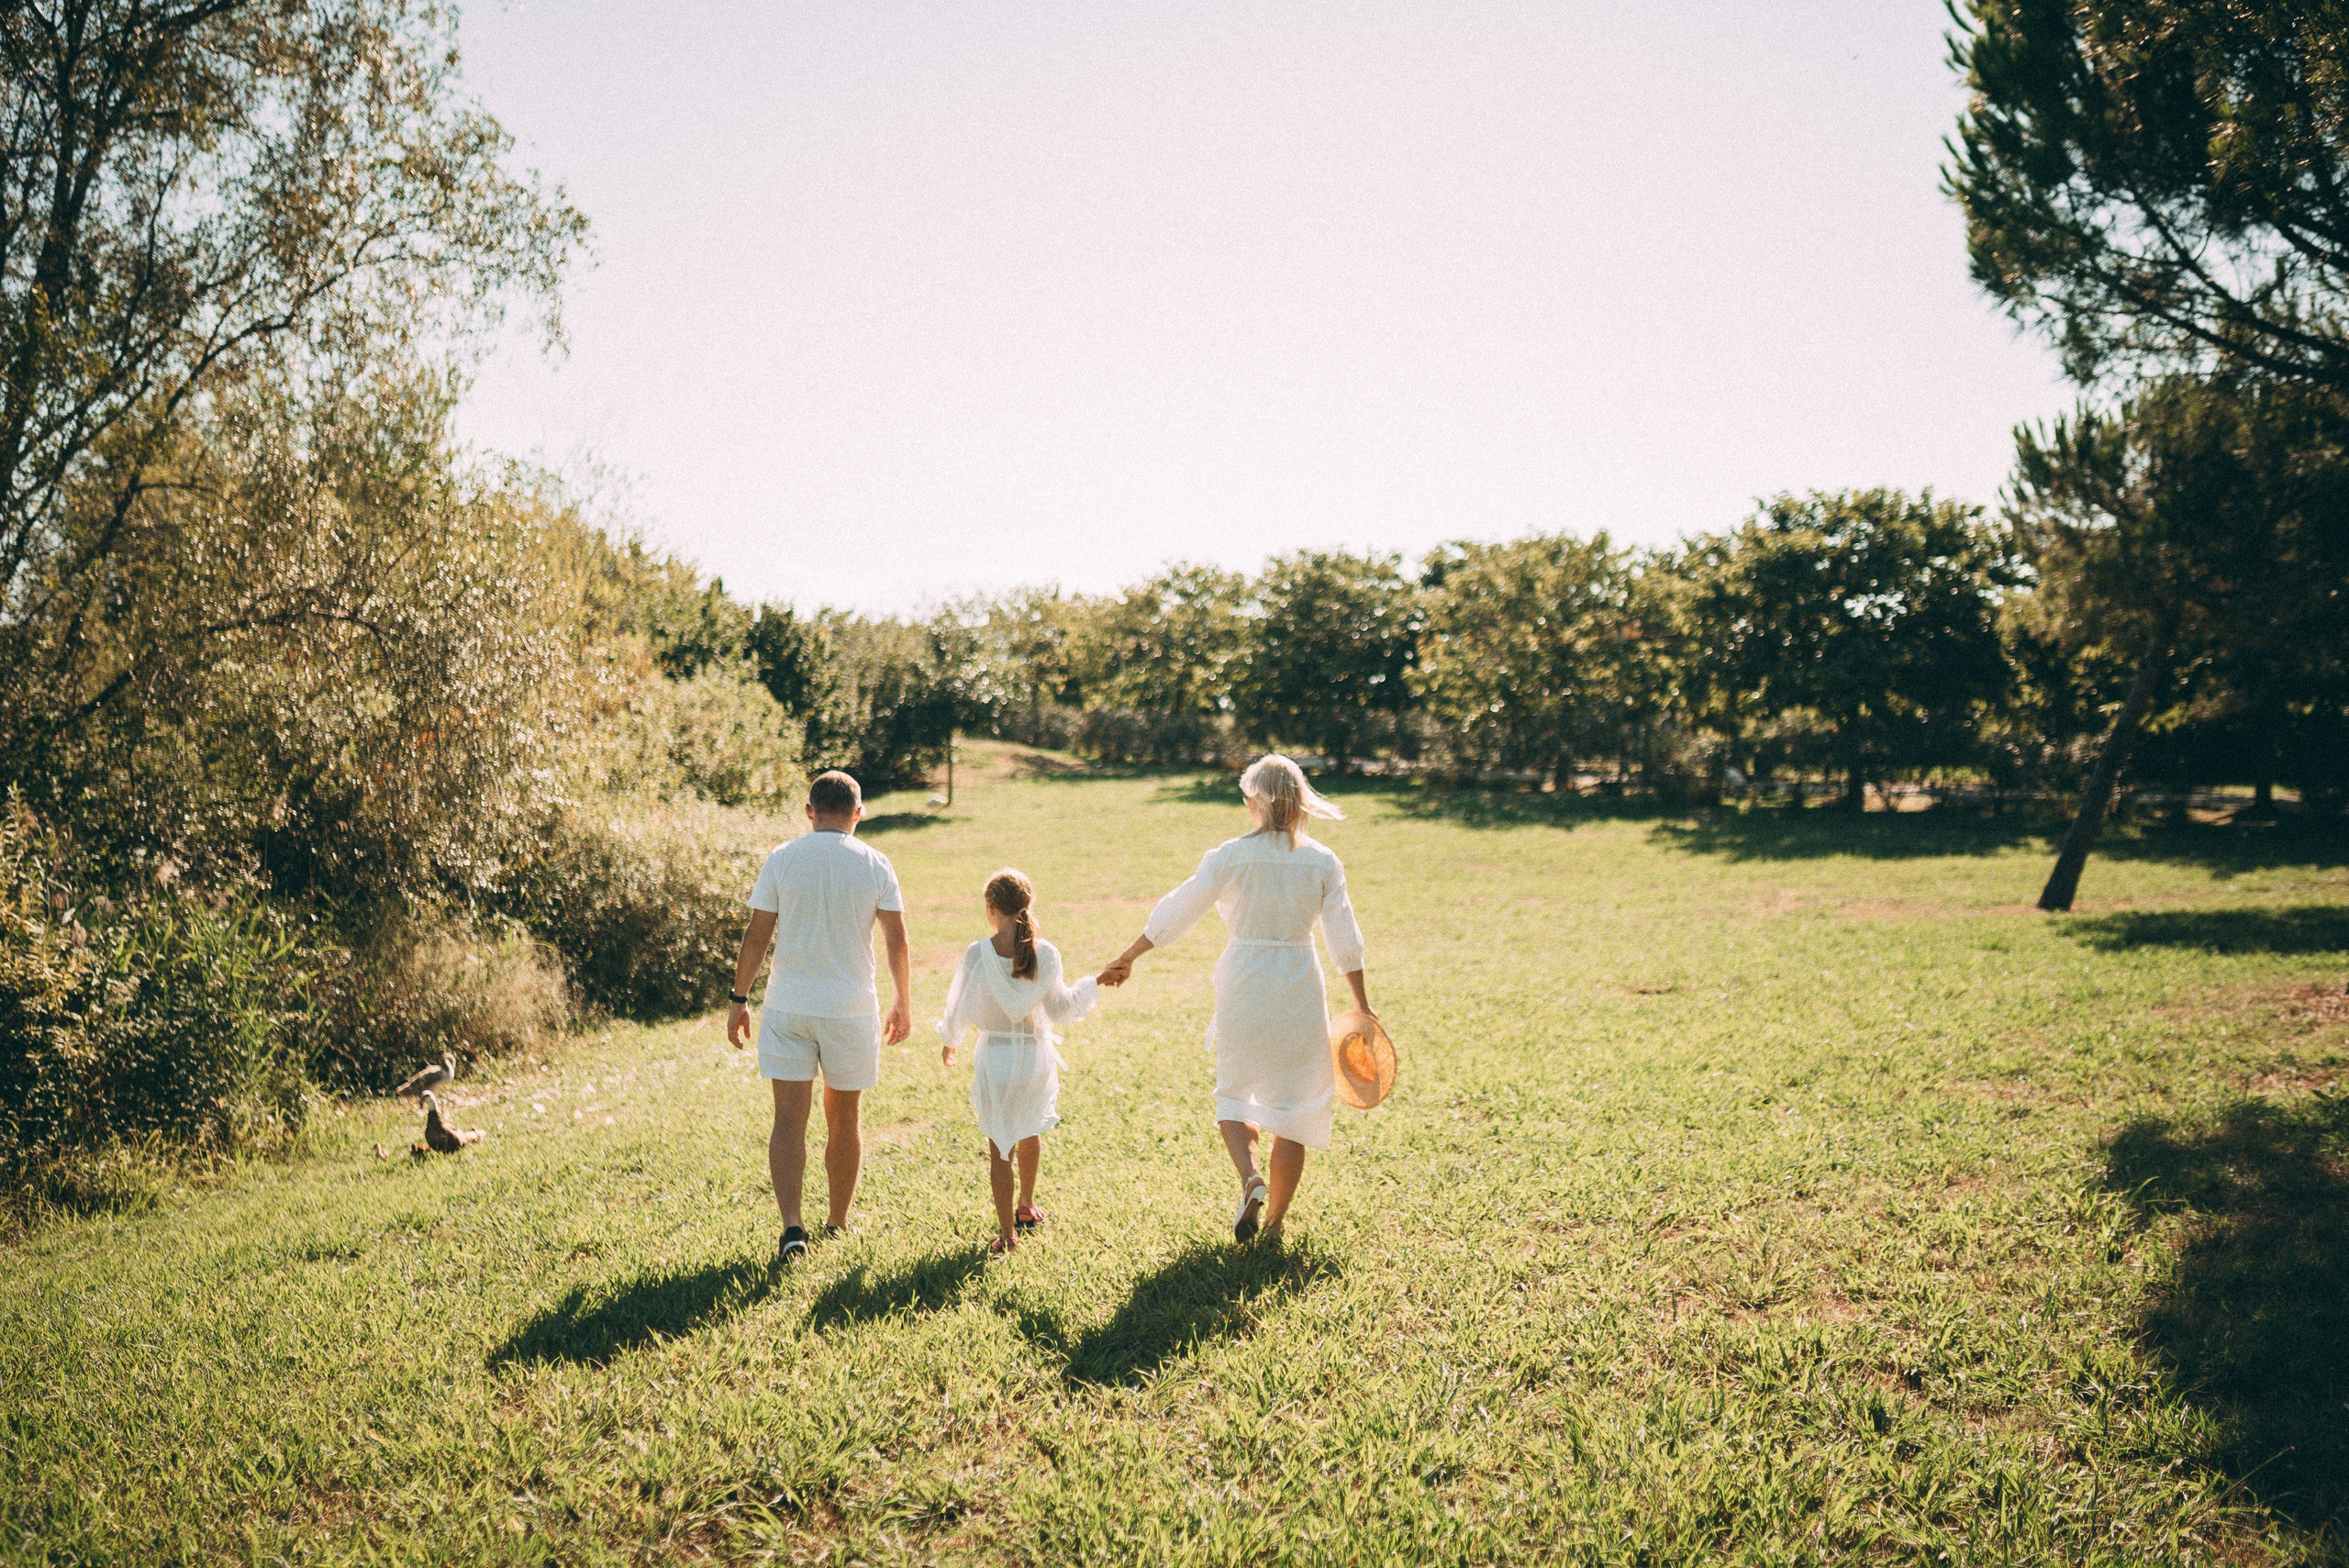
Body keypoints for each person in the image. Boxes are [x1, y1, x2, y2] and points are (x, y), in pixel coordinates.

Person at [1098, 754, 1370, 1245]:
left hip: (1244, 980)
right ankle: (1275, 1226)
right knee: (1293, 1108)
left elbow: (1178, 909)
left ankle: (1250, 1178)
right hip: (1299, 982)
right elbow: (1344, 937)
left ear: (1252, 801)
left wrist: (1130, 955)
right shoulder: (1322, 861)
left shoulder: (1227, 856)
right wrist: (1363, 1006)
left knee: (1235, 1095)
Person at [728, 770, 912, 1263]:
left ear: (809, 812)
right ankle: (837, 1221)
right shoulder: (876, 863)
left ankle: (793, 1227)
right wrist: (903, 1002)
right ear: (859, 813)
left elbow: (756, 934)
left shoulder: (783, 858)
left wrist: (738, 999)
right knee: (844, 1116)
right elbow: (897, 940)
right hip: (851, 1010)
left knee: (788, 1118)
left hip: (789, 1006)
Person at [937, 868, 1100, 1254]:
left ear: (991, 909)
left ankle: (1007, 1233)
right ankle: (1027, 1203)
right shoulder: (1046, 953)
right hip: (1032, 1054)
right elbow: (1061, 1008)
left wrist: (950, 1041)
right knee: (1030, 1129)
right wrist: (1091, 985)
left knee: (999, 1146)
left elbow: (957, 1006)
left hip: (995, 1055)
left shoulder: (978, 954)